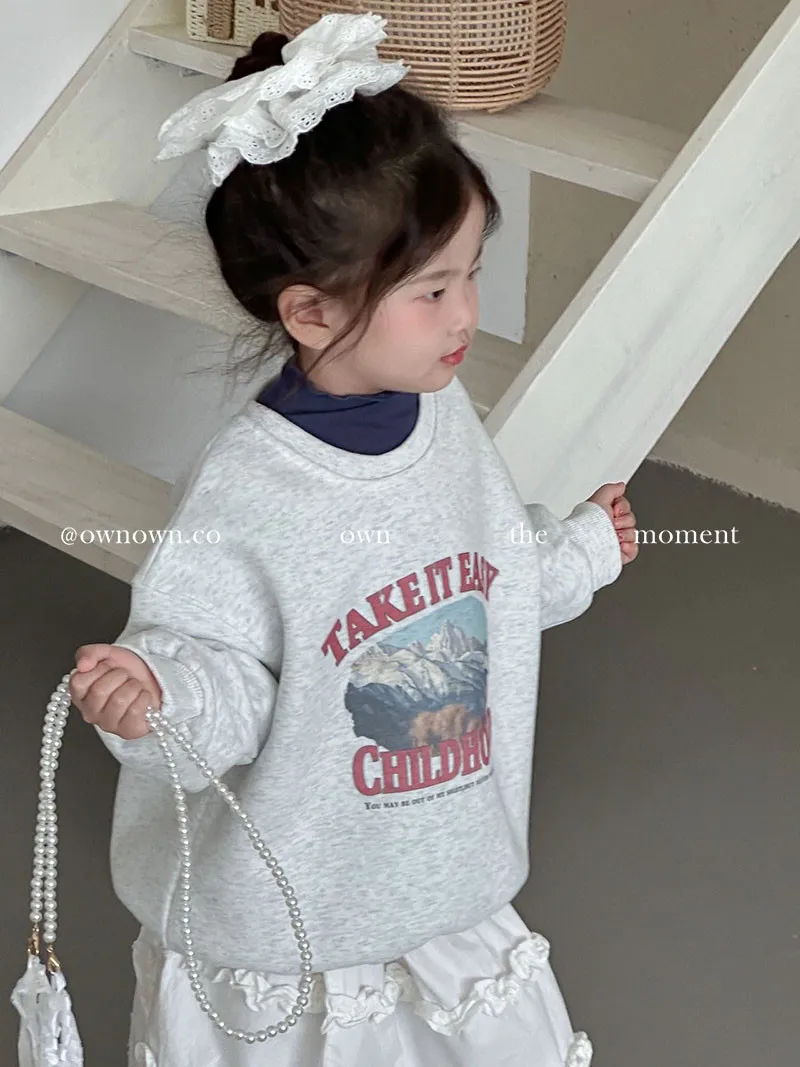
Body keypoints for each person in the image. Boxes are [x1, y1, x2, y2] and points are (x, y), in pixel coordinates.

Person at [68, 13, 639, 1066]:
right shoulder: (251, 489)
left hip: (435, 867)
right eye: (431, 291)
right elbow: (219, 672)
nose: (465, 314)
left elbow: (483, 575)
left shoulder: (443, 417)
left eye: (470, 273)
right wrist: (158, 700)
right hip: (294, 894)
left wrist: (576, 553)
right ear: (314, 313)